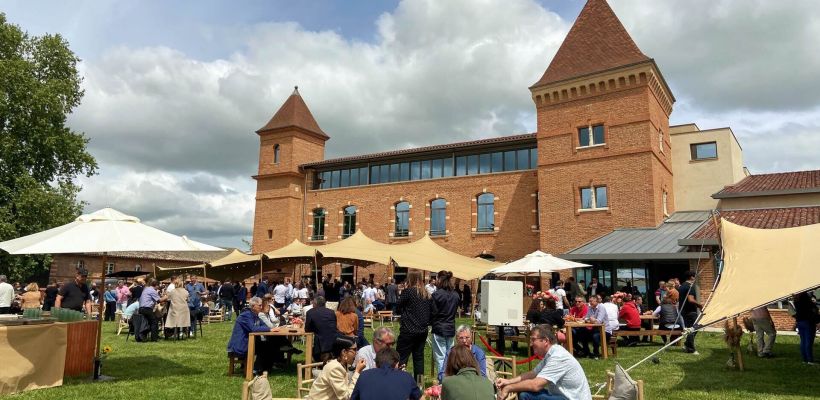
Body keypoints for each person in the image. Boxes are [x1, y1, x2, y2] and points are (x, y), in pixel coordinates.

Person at [496, 325, 591, 400]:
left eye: (533, 339)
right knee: (523, 390)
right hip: (563, 396)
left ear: (545, 341)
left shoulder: (558, 357)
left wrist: (509, 388)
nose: (530, 344)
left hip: (570, 398)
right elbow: (533, 374)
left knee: (525, 395)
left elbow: (536, 385)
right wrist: (508, 381)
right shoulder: (552, 353)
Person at [227, 296, 283, 374]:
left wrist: (270, 328)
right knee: (266, 346)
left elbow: (264, 326)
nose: (261, 307)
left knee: (270, 344)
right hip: (240, 345)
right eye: (259, 305)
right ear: (253, 306)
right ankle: (256, 369)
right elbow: (253, 328)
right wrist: (270, 329)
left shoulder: (255, 315)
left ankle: (264, 368)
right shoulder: (246, 315)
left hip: (249, 342)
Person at [396, 270, 433, 383]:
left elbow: (398, 306)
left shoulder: (408, 292)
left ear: (410, 279)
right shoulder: (426, 293)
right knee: (419, 358)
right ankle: (420, 384)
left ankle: (399, 382)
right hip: (422, 330)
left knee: (402, 358)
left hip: (408, 330)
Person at [307, 336, 366, 400]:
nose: (356, 353)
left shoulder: (343, 364)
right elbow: (346, 397)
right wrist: (357, 371)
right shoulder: (334, 368)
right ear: (344, 352)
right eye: (354, 349)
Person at [352, 347, 420, 400]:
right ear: (397, 364)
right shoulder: (406, 377)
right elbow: (418, 397)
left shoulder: (364, 375)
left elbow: (354, 397)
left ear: (376, 364)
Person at [431, 270, 459, 377]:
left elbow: (433, 313)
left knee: (441, 357)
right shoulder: (456, 295)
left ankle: (443, 381)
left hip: (439, 328)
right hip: (450, 327)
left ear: (439, 280)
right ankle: (450, 379)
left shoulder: (436, 295)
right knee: (450, 356)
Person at [305, 296, 338, 361]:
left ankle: (314, 365)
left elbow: (307, 329)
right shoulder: (331, 312)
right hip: (334, 341)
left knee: (314, 350)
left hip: (320, 345)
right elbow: (334, 325)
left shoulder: (310, 312)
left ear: (315, 303)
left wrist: (315, 328)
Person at [678, 271, 702, 354]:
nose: (695, 278)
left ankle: (686, 345)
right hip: (690, 311)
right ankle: (691, 349)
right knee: (693, 328)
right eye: (695, 276)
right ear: (692, 277)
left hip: (683, 310)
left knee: (690, 328)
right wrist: (699, 305)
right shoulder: (690, 286)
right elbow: (691, 300)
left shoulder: (681, 286)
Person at [792, 291, 818, 365]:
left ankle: (805, 359)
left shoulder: (796, 300)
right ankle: (810, 360)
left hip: (800, 322)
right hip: (808, 322)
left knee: (803, 341)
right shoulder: (806, 300)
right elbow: (813, 310)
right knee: (808, 341)